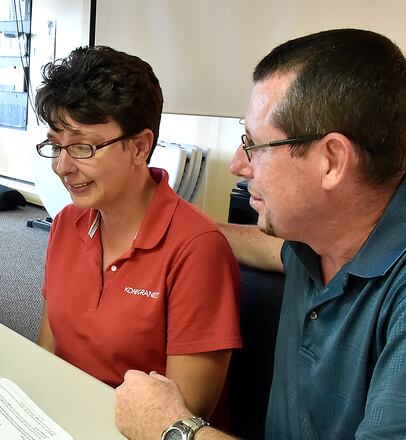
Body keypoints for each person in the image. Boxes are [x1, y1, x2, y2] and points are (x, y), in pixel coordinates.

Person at [115, 28, 406, 440]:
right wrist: (188, 229)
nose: (238, 163)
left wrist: (173, 428)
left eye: (255, 144)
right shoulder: (320, 239)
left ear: (332, 160)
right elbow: (274, 248)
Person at [33, 46, 242, 422]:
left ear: (141, 146)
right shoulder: (67, 223)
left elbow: (182, 420)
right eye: (55, 145)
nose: (62, 167)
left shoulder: (197, 250)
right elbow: (49, 352)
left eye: (82, 147)